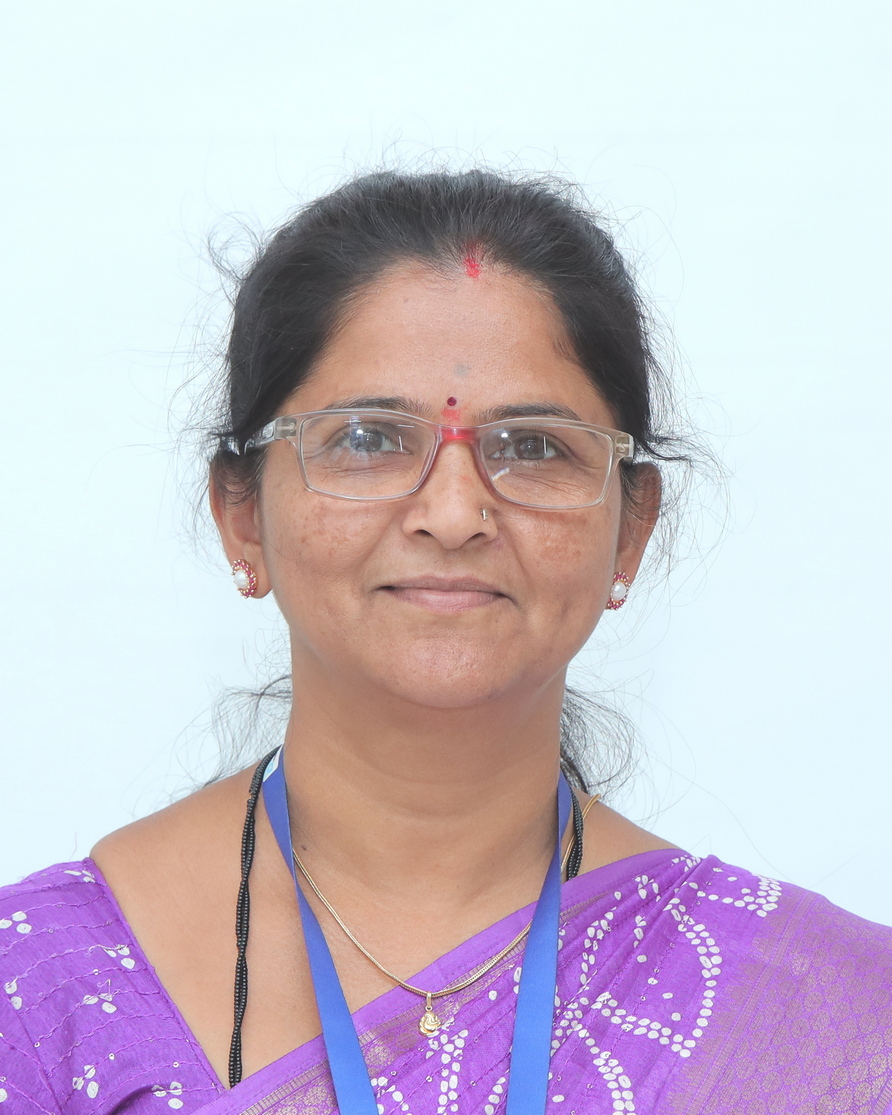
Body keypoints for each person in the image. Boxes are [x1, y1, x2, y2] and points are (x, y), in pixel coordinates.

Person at [1, 170, 890, 1115]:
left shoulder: (831, 1019)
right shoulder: (42, 1001)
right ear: (242, 515)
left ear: (631, 528)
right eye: (367, 438)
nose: (455, 512)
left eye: (534, 446)